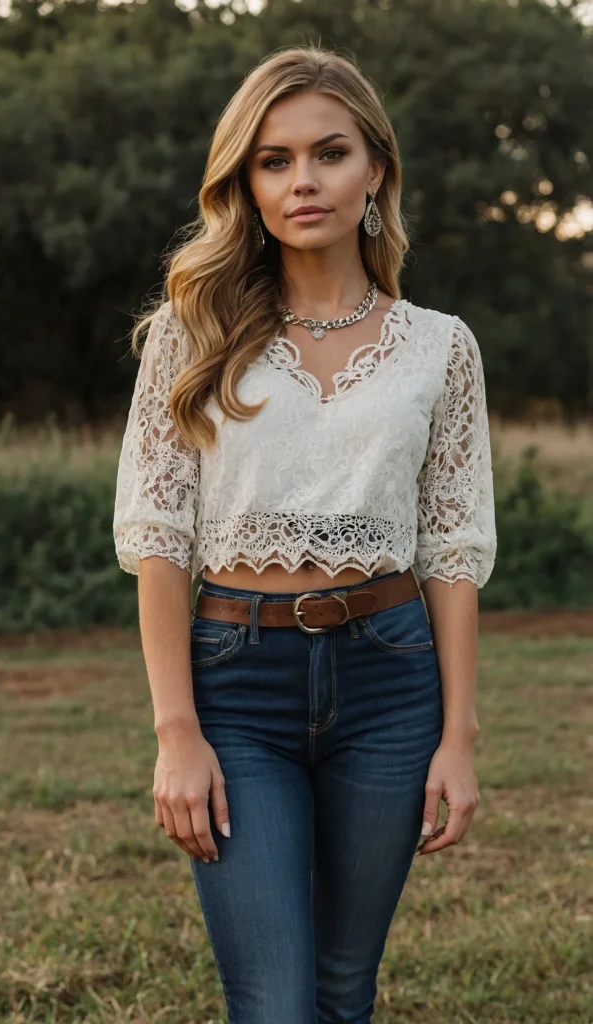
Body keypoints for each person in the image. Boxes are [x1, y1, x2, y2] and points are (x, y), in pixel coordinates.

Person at [113, 44, 497, 1024]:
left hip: (390, 682)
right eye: (273, 160)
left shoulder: (440, 347)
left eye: (327, 152)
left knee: (339, 990)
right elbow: (159, 538)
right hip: (235, 684)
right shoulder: (188, 334)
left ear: (374, 169)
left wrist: (456, 737)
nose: (301, 180)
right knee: (274, 1001)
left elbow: (451, 551)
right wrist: (175, 733)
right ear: (245, 180)